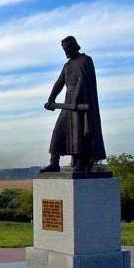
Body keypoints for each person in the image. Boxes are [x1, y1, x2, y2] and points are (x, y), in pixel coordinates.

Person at [42, 36, 106, 173]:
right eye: (64, 49)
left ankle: (81, 163)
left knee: (79, 133)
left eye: (67, 48)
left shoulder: (86, 60)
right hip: (68, 103)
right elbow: (59, 83)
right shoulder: (67, 65)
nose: (65, 52)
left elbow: (83, 80)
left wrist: (76, 99)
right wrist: (51, 99)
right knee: (58, 131)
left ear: (74, 46)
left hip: (81, 103)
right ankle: (54, 162)